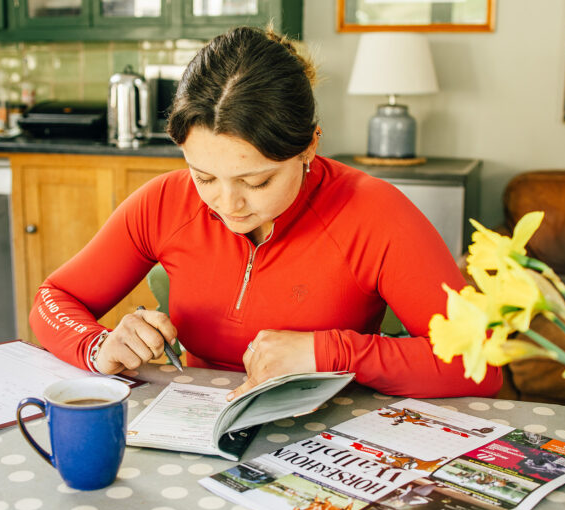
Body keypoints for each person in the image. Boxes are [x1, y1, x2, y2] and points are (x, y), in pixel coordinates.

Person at [29, 26, 502, 400]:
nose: (227, 205)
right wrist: (98, 345)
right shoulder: (164, 202)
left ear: (309, 146)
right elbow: (53, 299)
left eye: (257, 182)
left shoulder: (376, 214)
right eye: (204, 177)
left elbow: (479, 366)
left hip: (325, 439)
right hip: (193, 426)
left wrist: (329, 351)